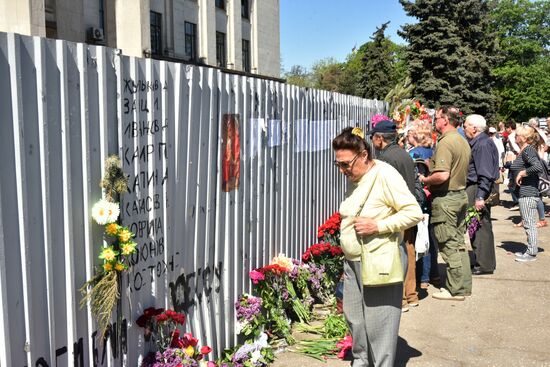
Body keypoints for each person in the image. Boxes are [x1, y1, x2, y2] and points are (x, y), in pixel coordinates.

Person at [334, 127, 422, 367]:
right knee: (355, 319)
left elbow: (413, 212)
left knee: (380, 324)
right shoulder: (356, 176)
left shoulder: (385, 174)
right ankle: (361, 361)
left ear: (363, 155)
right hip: (354, 261)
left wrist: (378, 225)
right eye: (338, 165)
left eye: (346, 164)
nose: (343, 170)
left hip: (379, 260)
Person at [418, 106, 472, 301]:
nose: (435, 121)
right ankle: (463, 285)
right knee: (458, 243)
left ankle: (454, 290)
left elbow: (442, 175)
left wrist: (424, 180)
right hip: (459, 196)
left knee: (448, 244)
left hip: (447, 199)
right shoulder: (461, 139)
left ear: (446, 120)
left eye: (438, 117)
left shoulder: (446, 142)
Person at [367, 120, 419, 313]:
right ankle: (411, 295)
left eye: (373, 137)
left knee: (397, 254)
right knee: (409, 250)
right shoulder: (403, 153)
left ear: (380, 139)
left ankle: (402, 299)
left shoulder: (385, 159)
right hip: (408, 210)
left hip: (395, 213)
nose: (372, 141)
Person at [463, 115, 500, 275]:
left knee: (479, 227)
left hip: (478, 189)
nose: (464, 129)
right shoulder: (482, 142)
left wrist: (479, 197)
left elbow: (484, 173)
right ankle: (483, 261)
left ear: (474, 128)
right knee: (476, 226)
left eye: (465, 126)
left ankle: (484, 264)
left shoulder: (483, 144)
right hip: (477, 188)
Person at [509, 125, 544, 262]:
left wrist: (523, 173)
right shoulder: (524, 150)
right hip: (525, 192)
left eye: (517, 135)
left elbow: (537, 166)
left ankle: (531, 252)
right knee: (528, 223)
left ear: (524, 138)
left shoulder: (528, 150)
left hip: (529, 192)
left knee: (529, 224)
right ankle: (530, 249)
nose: (515, 137)